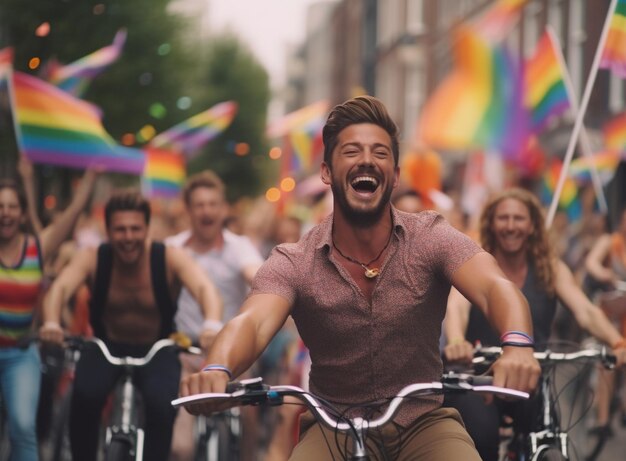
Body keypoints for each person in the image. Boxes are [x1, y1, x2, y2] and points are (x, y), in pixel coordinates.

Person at [179, 95, 541, 461]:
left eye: (380, 153)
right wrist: (217, 368)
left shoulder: (430, 236)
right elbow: (252, 322)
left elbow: (495, 286)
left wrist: (518, 345)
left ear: (395, 175)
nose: (367, 160)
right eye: (351, 151)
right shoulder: (294, 260)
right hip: (332, 427)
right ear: (326, 172)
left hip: (424, 424)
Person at [39, 188, 223, 461]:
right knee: (85, 398)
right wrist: (52, 322)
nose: (128, 237)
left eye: (135, 229)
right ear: (108, 231)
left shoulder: (168, 257)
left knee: (163, 406)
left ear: (147, 228)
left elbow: (204, 287)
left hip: (157, 349)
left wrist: (210, 324)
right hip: (106, 347)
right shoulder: (93, 257)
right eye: (120, 230)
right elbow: (60, 289)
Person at [443, 188, 626, 461]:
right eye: (503, 218)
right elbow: (456, 307)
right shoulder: (477, 263)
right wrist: (458, 342)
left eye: (519, 218)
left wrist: (617, 341)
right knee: (481, 439)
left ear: (532, 225)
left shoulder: (549, 268)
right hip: (480, 377)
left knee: (545, 434)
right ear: (492, 223)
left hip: (532, 376)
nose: (511, 225)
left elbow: (585, 310)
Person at [0, 164, 97, 461]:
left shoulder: (37, 247)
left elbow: (71, 215)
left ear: (22, 213)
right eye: (0, 206)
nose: (5, 212)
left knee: (22, 426)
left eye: (12, 207)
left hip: (21, 354)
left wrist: (92, 175)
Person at [165, 171, 264, 461]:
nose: (207, 211)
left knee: (249, 420)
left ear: (223, 209)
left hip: (232, 355)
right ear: (189, 210)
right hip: (185, 355)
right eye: (199, 205)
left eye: (213, 204)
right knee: (179, 448)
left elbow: (256, 276)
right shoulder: (173, 248)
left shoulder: (240, 247)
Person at [584, 207, 626, 430]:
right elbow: (592, 263)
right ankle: (602, 419)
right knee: (608, 361)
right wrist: (605, 273)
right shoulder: (611, 241)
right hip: (611, 307)